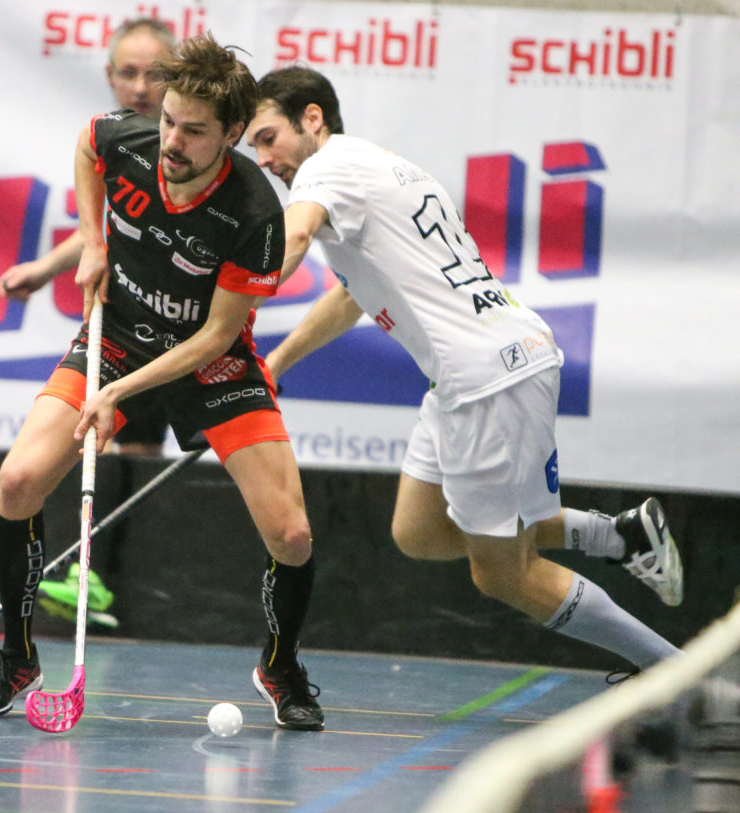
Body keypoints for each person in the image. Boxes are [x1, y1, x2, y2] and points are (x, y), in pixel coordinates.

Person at [244, 66, 682, 677]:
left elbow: (292, 239)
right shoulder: (377, 165)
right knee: (418, 530)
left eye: (267, 138)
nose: (264, 158)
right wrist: (278, 360)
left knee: (504, 573)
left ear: (311, 118)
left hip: (487, 380)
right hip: (476, 372)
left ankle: (681, 676)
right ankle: (620, 535)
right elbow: (351, 297)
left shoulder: (324, 172)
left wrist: (232, 304)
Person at [0, 33, 325, 731]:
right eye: (168, 120)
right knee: (18, 480)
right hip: (119, 339)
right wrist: (94, 241)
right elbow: (86, 143)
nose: (171, 140)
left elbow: (216, 336)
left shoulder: (255, 215)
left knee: (294, 533)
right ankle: (18, 656)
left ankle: (279, 666)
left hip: (210, 363)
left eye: (193, 131)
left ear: (233, 134)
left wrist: (116, 397)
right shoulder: (127, 139)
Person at [0, 18, 179, 630]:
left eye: (155, 73)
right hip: (122, 324)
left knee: (138, 446)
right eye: (128, 73)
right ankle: (89, 573)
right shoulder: (111, 145)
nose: (141, 86)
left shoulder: (187, 148)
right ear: (110, 77)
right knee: (106, 440)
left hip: (179, 329)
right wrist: (45, 270)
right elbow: (94, 236)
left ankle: (98, 573)